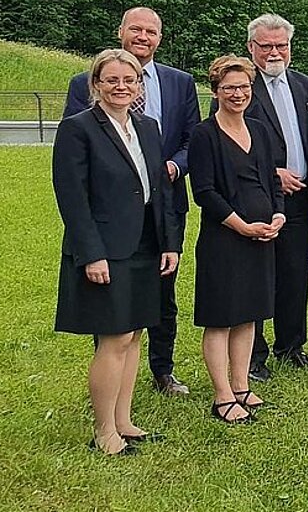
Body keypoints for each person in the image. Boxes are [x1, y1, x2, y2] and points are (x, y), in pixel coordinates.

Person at [63, 7, 199, 397]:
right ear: (121, 31)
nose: (143, 36)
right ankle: (111, 369)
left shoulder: (179, 83)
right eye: (135, 29)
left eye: (151, 31)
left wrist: (172, 167)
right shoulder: (82, 88)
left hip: (163, 206)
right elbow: (79, 161)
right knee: (112, 309)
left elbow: (192, 138)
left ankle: (163, 370)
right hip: (109, 214)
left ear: (160, 37)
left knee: (160, 295)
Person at [54, 49, 181, 454]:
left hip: (146, 242)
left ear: (139, 87)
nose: (121, 87)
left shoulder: (147, 127)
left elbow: (158, 189)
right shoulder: (79, 129)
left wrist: (169, 243)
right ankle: (104, 431)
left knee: (135, 333)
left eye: (129, 81)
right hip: (106, 248)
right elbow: (72, 198)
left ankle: (124, 421)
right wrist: (91, 254)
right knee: (114, 337)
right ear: (96, 85)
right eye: (112, 80)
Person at [190, 56, 284, 423]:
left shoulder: (259, 131)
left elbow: (272, 180)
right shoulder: (204, 134)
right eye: (229, 88)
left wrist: (277, 213)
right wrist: (241, 225)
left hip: (262, 237)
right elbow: (205, 192)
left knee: (248, 316)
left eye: (244, 87)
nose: (238, 94)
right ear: (215, 92)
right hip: (225, 240)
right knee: (221, 318)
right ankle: (222, 395)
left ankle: (242, 385)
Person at [236, 14, 308, 381]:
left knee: (295, 273)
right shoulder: (240, 88)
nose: (275, 52)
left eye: (281, 45)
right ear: (251, 48)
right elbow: (228, 147)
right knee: (258, 276)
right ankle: (253, 356)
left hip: (303, 199)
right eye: (267, 46)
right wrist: (274, 173)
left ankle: (292, 345)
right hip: (259, 199)